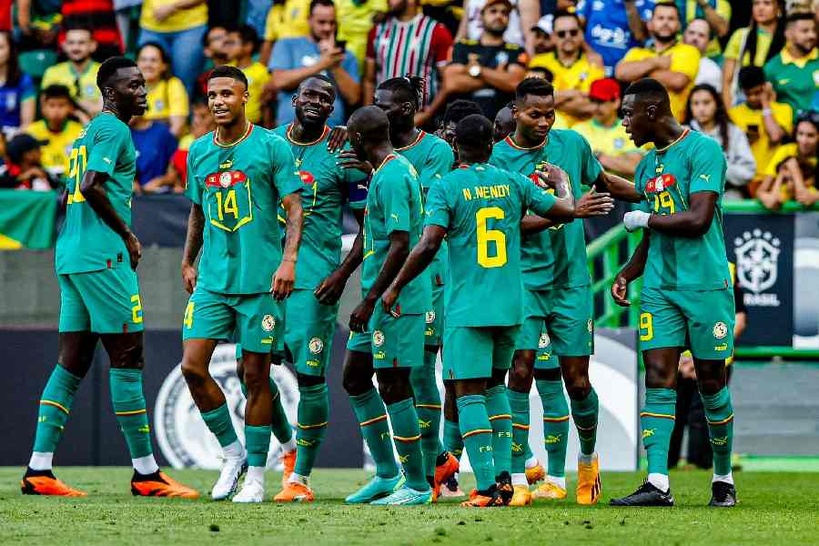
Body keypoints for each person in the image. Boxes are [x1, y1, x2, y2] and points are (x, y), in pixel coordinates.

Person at [20, 57, 198, 499]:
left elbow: (76, 186)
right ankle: (146, 474)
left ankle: (39, 469)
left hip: (72, 253)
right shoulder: (114, 129)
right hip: (103, 257)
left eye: (143, 83)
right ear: (112, 92)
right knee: (128, 356)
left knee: (73, 360)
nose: (144, 91)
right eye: (135, 85)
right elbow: (91, 185)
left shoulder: (85, 133)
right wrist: (129, 235)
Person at [382, 114, 576, 507]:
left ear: (456, 148)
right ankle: (506, 480)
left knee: (467, 392)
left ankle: (488, 487)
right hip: (511, 306)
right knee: (494, 388)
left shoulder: (446, 186)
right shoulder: (513, 182)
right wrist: (562, 183)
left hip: (468, 308)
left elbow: (429, 243)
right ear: (492, 144)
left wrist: (396, 285)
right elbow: (565, 211)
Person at [490, 77, 625, 507]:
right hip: (525, 281)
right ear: (515, 112)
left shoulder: (573, 144)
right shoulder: (498, 160)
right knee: (521, 371)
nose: (545, 121)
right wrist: (565, 211)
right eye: (536, 114)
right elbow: (506, 224)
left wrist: (654, 193)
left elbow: (604, 181)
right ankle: (516, 478)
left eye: (550, 113)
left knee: (576, 380)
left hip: (570, 281)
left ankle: (587, 460)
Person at [179, 65, 304, 503]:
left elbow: (294, 208)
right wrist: (188, 259)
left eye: (227, 94)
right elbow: (197, 210)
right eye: (212, 94)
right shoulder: (197, 151)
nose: (218, 101)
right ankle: (231, 455)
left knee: (254, 375)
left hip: (260, 282)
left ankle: (256, 475)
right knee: (192, 366)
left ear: (245, 97)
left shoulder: (271, 147)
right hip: (213, 279)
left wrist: (289, 262)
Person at [611, 77, 737, 508]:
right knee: (659, 378)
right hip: (661, 288)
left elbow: (698, 218)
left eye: (628, 113)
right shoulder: (648, 166)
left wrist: (643, 220)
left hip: (705, 285)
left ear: (651, 111)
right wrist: (629, 270)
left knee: (710, 380)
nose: (623, 121)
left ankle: (722, 476)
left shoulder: (703, 150)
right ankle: (658, 482)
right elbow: (654, 232)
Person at [270, 76, 369, 502]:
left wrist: (342, 274)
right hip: (264, 279)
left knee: (309, 378)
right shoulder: (268, 143)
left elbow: (371, 228)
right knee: (249, 371)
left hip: (316, 281)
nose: (316, 102)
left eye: (326, 98)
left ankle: (300, 478)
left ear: (333, 109)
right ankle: (288, 447)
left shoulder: (343, 154)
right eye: (309, 94)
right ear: (293, 99)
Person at [368, 76, 459, 498]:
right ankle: (434, 463)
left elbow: (421, 207)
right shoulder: (372, 156)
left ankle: (430, 470)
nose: (377, 110)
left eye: (383, 105)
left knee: (422, 372)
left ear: (405, 109)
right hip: (389, 272)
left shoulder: (435, 151)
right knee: (394, 372)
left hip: (429, 274)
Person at [340, 106, 433, 506]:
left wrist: (373, 298)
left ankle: (417, 484)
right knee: (356, 378)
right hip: (378, 296)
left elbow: (399, 243)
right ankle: (386, 473)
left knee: (394, 384)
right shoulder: (384, 170)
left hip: (395, 299)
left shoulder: (393, 175)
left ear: (360, 139)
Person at [669, 262, 747, 471]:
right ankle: (665, 464)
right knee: (672, 412)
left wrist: (704, 357)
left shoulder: (728, 269)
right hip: (678, 360)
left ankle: (699, 462)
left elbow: (739, 318)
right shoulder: (673, 266)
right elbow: (667, 318)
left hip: (714, 358)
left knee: (702, 413)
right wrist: (676, 359)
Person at [269, 0, 360, 128]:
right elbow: (279, 81)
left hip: (331, 136)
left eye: (332, 23)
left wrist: (334, 65)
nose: (327, 28)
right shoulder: (287, 45)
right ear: (309, 19)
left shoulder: (346, 55)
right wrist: (322, 64)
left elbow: (353, 98)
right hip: (290, 132)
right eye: (321, 22)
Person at [364, 0, 453, 126]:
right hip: (382, 122)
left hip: (422, 123)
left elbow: (448, 81)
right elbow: (369, 80)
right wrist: (368, 116)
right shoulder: (377, 31)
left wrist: (428, 114)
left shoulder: (436, 31)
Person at [616, 2, 701, 121]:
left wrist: (639, 72)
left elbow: (678, 81)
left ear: (679, 25)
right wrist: (655, 63)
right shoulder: (636, 52)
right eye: (660, 18)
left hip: (672, 131)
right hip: (637, 128)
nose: (665, 22)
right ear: (650, 24)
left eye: (671, 19)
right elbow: (620, 73)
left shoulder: (689, 51)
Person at [444, 0, 528, 121]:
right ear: (481, 16)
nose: (499, 16)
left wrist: (476, 70)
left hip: (502, 121)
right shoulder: (463, 47)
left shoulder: (516, 50)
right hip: (463, 119)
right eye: (493, 11)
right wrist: (500, 77)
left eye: (504, 13)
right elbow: (451, 83)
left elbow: (515, 83)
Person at [529, 10, 604, 126]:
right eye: (561, 34)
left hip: (583, 135)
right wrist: (572, 93)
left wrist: (551, 99)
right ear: (553, 37)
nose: (568, 37)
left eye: (573, 32)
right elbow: (531, 101)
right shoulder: (538, 61)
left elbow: (593, 106)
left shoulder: (593, 62)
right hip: (548, 134)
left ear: (581, 34)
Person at [685, 84, 756, 199]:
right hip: (689, 198)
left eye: (706, 102)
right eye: (695, 103)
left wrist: (719, 166)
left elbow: (748, 172)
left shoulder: (734, 132)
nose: (701, 108)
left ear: (717, 104)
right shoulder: (681, 133)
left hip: (727, 196)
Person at [729, 66, 793, 188]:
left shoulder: (783, 109)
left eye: (757, 93)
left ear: (765, 87)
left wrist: (765, 104)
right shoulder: (734, 114)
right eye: (748, 94)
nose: (752, 98)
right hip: (745, 179)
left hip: (774, 178)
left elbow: (775, 136)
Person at [573, 78, 644, 178]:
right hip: (588, 191)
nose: (596, 107)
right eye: (593, 101)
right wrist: (619, 160)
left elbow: (635, 167)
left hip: (622, 192)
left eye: (601, 101)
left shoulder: (631, 130)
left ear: (616, 102)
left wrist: (598, 157)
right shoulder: (578, 130)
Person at [722, 0, 785, 108]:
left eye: (767, 3)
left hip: (778, 100)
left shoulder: (788, 39)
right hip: (743, 101)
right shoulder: (740, 36)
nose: (760, 8)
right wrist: (730, 111)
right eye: (756, 3)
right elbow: (727, 80)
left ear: (779, 8)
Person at [138, 0, 208, 95]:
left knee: (184, 83)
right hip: (150, 25)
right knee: (147, 77)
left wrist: (173, 7)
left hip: (190, 26)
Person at [576, 0, 656, 77]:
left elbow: (640, 36)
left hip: (627, 73)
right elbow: (573, 28)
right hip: (593, 69)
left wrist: (631, 6)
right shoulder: (590, 2)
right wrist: (589, 51)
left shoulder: (648, 5)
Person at [764, 11, 819, 121]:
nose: (812, 35)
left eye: (814, 30)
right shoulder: (771, 68)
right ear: (788, 34)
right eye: (805, 31)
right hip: (789, 133)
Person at [757, 111, 818, 208]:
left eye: (810, 135)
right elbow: (761, 191)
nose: (804, 140)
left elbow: (804, 197)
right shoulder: (786, 150)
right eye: (800, 134)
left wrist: (815, 196)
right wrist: (766, 198)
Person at [40, 27, 102, 123]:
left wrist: (70, 103)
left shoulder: (105, 72)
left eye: (81, 43)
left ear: (93, 45)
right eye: (71, 43)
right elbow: (47, 109)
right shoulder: (52, 73)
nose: (75, 48)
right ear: (64, 46)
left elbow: (104, 111)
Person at [25, 85, 84, 181]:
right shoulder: (31, 132)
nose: (56, 110)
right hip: (41, 180)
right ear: (43, 108)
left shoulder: (80, 131)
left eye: (61, 105)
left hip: (72, 181)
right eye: (51, 105)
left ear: (70, 107)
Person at [137, 42, 190, 138]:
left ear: (163, 66)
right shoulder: (130, 87)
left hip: (168, 144)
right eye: (143, 60)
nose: (148, 64)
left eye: (153, 60)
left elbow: (178, 127)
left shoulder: (173, 84)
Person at [224, 25, 270, 125]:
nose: (227, 47)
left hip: (254, 127)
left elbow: (266, 104)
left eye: (232, 43)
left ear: (248, 46)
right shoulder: (225, 71)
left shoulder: (261, 71)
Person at [457, 0, 539, 52]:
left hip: (511, 54)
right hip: (474, 52)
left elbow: (531, 37)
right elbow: (462, 32)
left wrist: (528, 64)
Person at [336, 0, 388, 77]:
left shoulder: (379, 4)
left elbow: (379, 16)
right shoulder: (339, 3)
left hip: (365, 58)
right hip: (341, 51)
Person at [129, 115, 178, 194]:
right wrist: (130, 183)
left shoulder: (162, 132)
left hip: (159, 197)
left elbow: (174, 174)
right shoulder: (121, 135)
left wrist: (160, 181)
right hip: (133, 199)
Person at [0, 31, 35, 138]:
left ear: (10, 50)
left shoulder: (24, 80)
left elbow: (27, 124)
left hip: (13, 137)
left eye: (0, 47)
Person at [684, 19, 723, 91]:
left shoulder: (713, 71)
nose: (695, 38)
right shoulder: (669, 59)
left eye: (701, 35)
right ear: (684, 35)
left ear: (709, 42)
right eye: (691, 33)